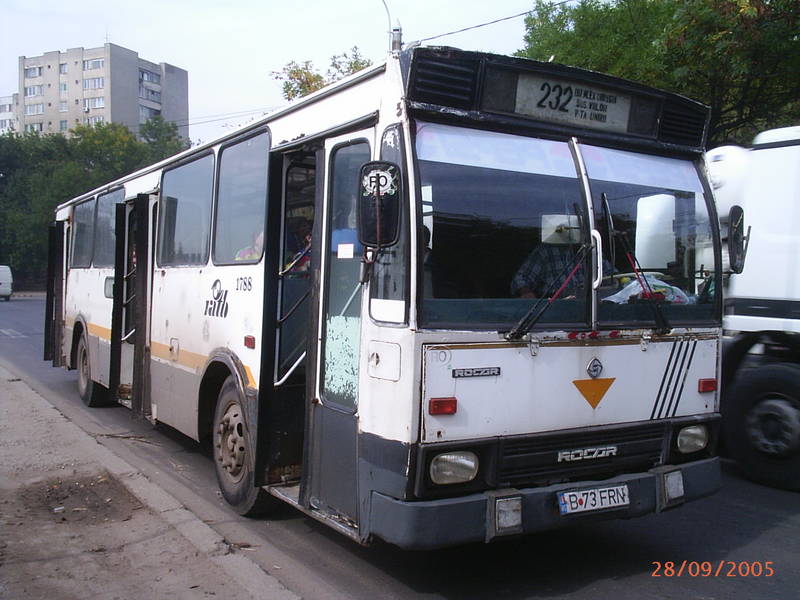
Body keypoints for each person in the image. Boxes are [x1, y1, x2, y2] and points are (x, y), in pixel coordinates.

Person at [511, 243, 586, 298]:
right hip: (555, 308)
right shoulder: (547, 250)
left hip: (587, 309)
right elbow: (520, 279)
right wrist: (526, 292)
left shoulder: (591, 249)